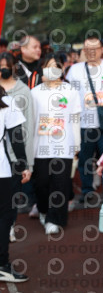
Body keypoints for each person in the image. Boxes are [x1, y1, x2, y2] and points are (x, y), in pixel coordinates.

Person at [67, 35, 103, 206]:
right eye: (88, 49)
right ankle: (87, 192)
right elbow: (68, 95)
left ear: (102, 50)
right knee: (84, 159)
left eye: (95, 48)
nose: (91, 52)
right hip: (83, 123)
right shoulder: (74, 70)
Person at [31, 54, 82, 235]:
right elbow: (31, 121)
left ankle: (55, 219)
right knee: (42, 183)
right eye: (48, 66)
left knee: (60, 183)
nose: (52, 69)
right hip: (40, 146)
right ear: (42, 69)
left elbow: (75, 119)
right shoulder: (35, 92)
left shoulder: (70, 91)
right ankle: (44, 211)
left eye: (56, 66)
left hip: (64, 145)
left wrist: (76, 144)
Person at [0, 52, 35, 231]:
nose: (3, 70)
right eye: (1, 67)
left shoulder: (23, 91)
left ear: (14, 68)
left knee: (11, 196)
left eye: (7, 66)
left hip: (14, 155)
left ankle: (10, 227)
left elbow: (27, 127)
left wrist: (26, 161)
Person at [0, 83, 30, 283]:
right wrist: (23, 165)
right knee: (3, 216)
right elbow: (16, 138)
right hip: (1, 169)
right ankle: (2, 265)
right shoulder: (6, 102)